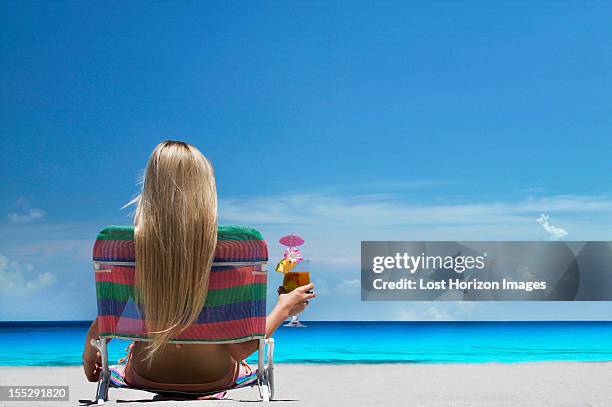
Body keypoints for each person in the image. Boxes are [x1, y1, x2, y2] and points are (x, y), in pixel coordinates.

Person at [82, 140, 315, 392]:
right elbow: (240, 350)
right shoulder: (234, 254)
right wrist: (284, 307)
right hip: (212, 377)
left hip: (145, 373)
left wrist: (89, 350)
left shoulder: (126, 252)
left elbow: (112, 317)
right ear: (206, 191)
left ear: (149, 189)